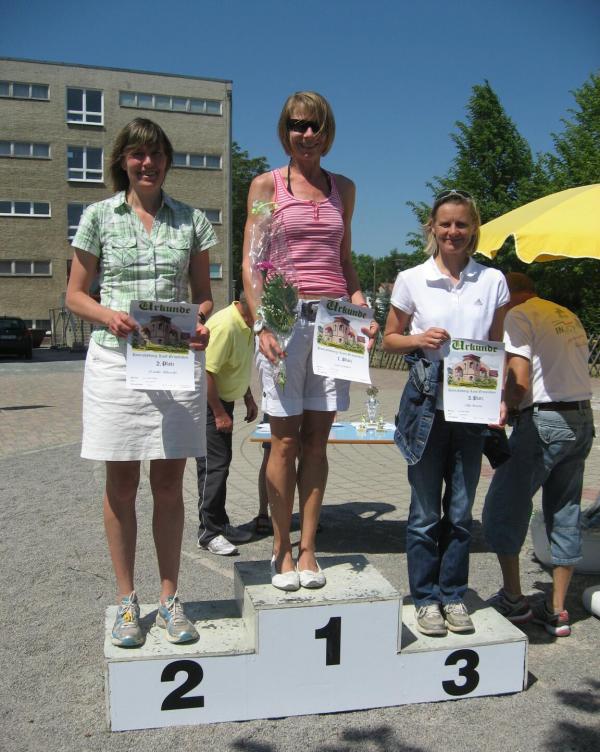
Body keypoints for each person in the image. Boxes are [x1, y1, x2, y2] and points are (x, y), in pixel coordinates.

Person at [66, 118, 216, 647]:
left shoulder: (192, 220)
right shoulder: (97, 217)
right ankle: (127, 600)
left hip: (172, 362)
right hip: (115, 362)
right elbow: (74, 295)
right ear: (123, 161)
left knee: (170, 487)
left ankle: (170, 598)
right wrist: (107, 315)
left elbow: (203, 295)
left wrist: (199, 321)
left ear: (167, 160)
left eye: (155, 154)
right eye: (137, 154)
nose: (147, 163)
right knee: (122, 486)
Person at [242, 91, 378, 591]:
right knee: (283, 440)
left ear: (327, 132)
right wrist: (261, 323)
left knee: (318, 442)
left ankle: (308, 549)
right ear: (285, 131)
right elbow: (252, 262)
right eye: (297, 125)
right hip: (284, 320)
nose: (306, 134)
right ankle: (280, 548)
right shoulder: (267, 184)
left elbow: (345, 261)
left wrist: (362, 304)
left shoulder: (345, 188)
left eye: (315, 126)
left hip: (335, 324)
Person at [383, 190, 509, 636]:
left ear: (474, 229)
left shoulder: (492, 280)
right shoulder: (411, 278)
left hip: (471, 408)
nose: (453, 231)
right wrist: (418, 340)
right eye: (445, 224)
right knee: (423, 514)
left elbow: (497, 346)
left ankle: (453, 594)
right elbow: (389, 339)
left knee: (459, 512)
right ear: (432, 228)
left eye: (461, 224)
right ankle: (425, 599)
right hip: (425, 407)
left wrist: (500, 396)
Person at [482, 272, 595, 637]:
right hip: (581, 419)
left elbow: (520, 378)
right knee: (565, 510)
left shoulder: (519, 315)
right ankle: (557, 609)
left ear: (508, 295)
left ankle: (514, 599)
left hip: (543, 421)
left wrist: (503, 408)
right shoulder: (565, 314)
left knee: (503, 507)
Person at [196, 293, 258, 555]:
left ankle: (220, 524)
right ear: (248, 303)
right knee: (213, 466)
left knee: (221, 464)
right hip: (210, 404)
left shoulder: (247, 323)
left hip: (224, 403)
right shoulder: (225, 325)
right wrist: (219, 412)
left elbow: (236, 365)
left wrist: (247, 396)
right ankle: (208, 533)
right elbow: (206, 371)